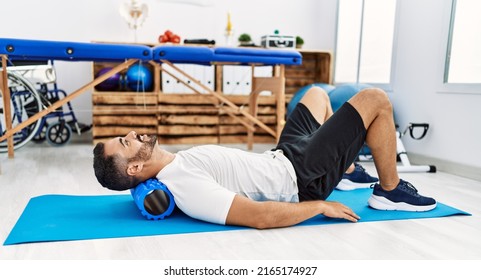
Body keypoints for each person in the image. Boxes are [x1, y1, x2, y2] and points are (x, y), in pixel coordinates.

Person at [93, 86, 436, 229]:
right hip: (300, 177)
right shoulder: (184, 185)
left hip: (282, 156)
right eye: (126, 141)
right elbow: (259, 216)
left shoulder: (171, 167)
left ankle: (344, 169)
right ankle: (389, 191)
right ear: (136, 166)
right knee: (375, 99)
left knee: (316, 93)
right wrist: (317, 206)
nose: (134, 133)